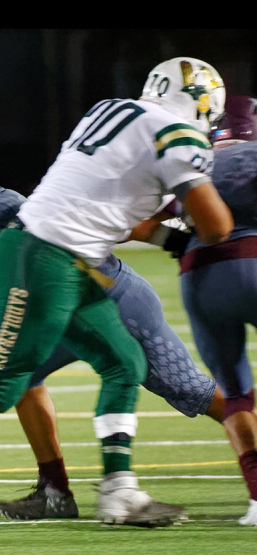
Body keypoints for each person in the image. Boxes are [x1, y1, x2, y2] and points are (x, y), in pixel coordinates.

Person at [0, 56, 234, 535]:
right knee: (2, 382)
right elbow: (217, 227)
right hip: (44, 257)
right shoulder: (177, 133)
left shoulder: (110, 111)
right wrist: (202, 219)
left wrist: (171, 237)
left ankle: (119, 491)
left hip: (67, 257)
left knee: (123, 361)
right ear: (200, 103)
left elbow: (103, 202)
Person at [133, 95, 257, 526]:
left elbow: (135, 221)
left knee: (237, 393)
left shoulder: (191, 162)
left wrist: (183, 245)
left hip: (203, 274)